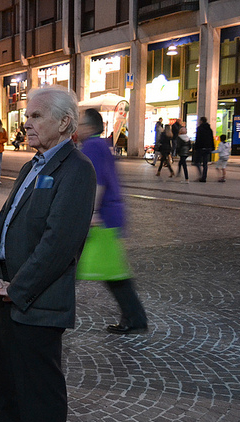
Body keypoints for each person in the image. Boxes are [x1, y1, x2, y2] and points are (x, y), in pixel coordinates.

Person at [0, 85, 95, 422]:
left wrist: (18, 288)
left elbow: (59, 244)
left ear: (64, 122)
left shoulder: (76, 170)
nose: (26, 123)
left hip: (37, 300)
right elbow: (5, 222)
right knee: (6, 378)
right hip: (6, 294)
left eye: (36, 116)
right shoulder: (32, 165)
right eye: (27, 116)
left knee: (40, 388)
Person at [77, 108, 148, 335]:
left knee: (110, 273)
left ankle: (135, 319)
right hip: (111, 216)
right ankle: (134, 318)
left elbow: (97, 181)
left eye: (80, 124)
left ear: (89, 127)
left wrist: (93, 212)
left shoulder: (92, 146)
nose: (76, 128)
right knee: (112, 273)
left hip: (103, 218)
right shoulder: (102, 145)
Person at [194, 116, 214, 182]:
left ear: (201, 121)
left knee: (197, 162)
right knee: (205, 163)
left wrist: (195, 147)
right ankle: (204, 177)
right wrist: (212, 147)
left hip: (200, 148)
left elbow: (198, 138)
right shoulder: (209, 129)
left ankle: (200, 175)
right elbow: (211, 139)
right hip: (208, 148)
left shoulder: (199, 128)